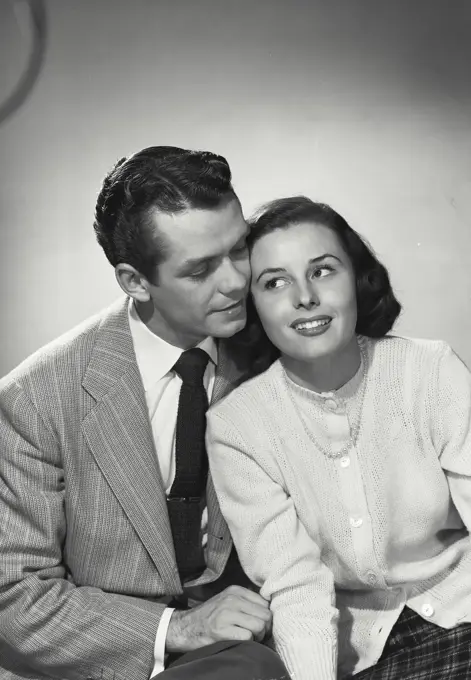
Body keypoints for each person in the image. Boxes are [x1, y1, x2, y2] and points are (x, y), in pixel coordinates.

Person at [0, 146, 289, 680]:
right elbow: (14, 598)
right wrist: (175, 630)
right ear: (135, 281)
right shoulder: (34, 400)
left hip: (269, 641)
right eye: (200, 269)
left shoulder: (279, 345)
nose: (233, 281)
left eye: (240, 250)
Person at [206, 196, 471, 680]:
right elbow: (295, 587)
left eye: (323, 271)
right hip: (358, 650)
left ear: (357, 279)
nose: (304, 296)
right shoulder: (236, 427)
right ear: (251, 304)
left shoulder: (429, 369)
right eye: (275, 282)